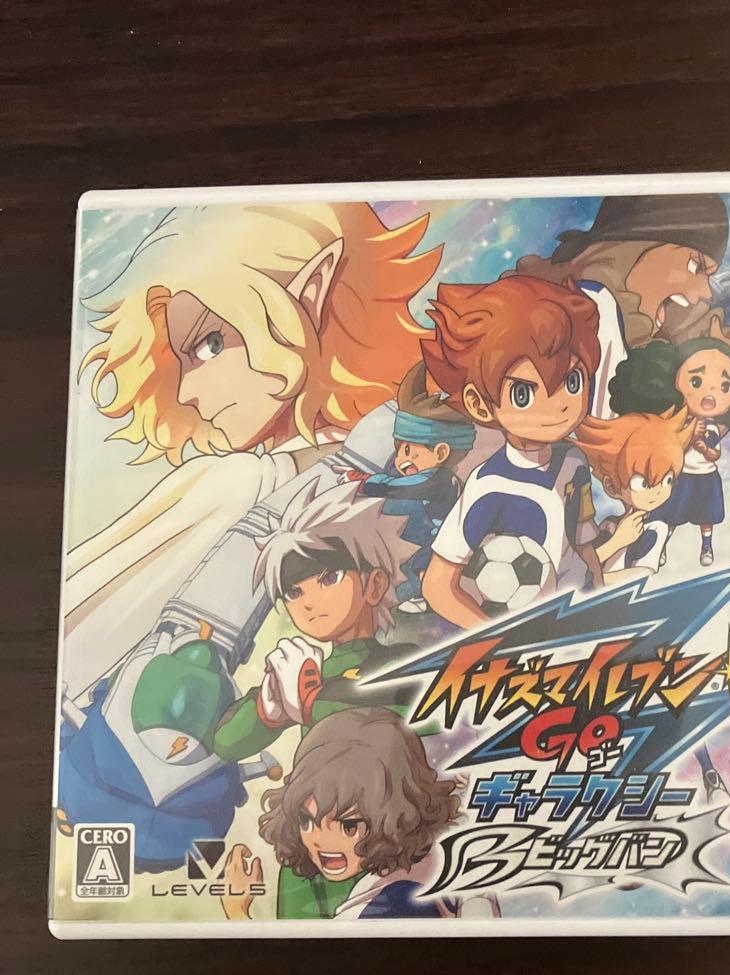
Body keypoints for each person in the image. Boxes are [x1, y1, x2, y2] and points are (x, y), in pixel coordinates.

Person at [65, 201, 441, 697]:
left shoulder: (255, 481)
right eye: (184, 360)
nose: (185, 392)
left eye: (210, 344)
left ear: (311, 291)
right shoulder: (264, 476)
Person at [419, 276, 604, 628]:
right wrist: (498, 638)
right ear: (479, 403)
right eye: (524, 393)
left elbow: (582, 539)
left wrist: (600, 591)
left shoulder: (574, 461)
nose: (558, 405)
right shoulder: (489, 488)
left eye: (572, 382)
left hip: (580, 611)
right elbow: (437, 585)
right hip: (533, 632)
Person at [213, 480, 417, 762]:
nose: (309, 602)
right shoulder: (310, 672)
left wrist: (311, 701)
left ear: (375, 585)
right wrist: (269, 708)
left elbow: (417, 710)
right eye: (294, 593)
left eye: (329, 579)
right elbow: (225, 743)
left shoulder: (402, 661)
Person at [221, 708, 462, 920]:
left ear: (397, 816)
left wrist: (237, 912)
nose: (321, 841)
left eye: (349, 826)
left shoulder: (398, 897)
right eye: (306, 820)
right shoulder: (306, 871)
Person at [512, 194, 730, 416]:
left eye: (708, 276)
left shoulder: (638, 338)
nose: (705, 292)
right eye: (694, 266)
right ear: (631, 249)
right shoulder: (585, 312)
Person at [608, 318, 730, 566]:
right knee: (669, 515)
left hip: (705, 477)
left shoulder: (712, 427)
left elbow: (715, 454)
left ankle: (706, 546)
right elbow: (670, 448)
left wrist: (703, 447)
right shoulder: (675, 423)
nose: (710, 394)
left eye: (724, 386)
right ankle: (660, 545)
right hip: (679, 476)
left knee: (706, 516)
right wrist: (688, 436)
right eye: (697, 382)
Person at [341, 362, 476, 614]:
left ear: (441, 453)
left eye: (409, 451)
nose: (401, 460)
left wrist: (366, 482)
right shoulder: (409, 470)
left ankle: (414, 591)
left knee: (413, 561)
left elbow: (401, 488)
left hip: (431, 544)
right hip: (409, 537)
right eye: (400, 450)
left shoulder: (437, 481)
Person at [574, 407, 695, 583]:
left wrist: (596, 579)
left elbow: (641, 576)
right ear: (611, 487)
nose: (658, 490)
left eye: (667, 480)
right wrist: (617, 542)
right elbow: (578, 569)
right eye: (643, 484)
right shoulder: (608, 525)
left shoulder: (654, 529)